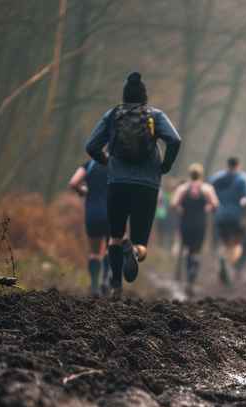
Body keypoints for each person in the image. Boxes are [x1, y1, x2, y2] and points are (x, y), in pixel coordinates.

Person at [86, 72, 181, 297]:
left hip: (117, 183)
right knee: (142, 244)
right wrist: (165, 165)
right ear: (144, 96)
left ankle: (116, 285)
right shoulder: (155, 116)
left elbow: (91, 146)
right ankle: (135, 252)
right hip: (147, 185)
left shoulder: (112, 115)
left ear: (125, 95)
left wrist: (108, 161)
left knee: (115, 236)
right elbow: (175, 140)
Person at [170, 164, 219, 296]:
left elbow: (174, 204)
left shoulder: (183, 188)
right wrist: (206, 209)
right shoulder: (207, 188)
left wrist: (181, 209)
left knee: (185, 248)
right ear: (201, 174)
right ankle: (191, 277)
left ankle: (182, 272)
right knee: (195, 250)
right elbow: (215, 204)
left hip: (185, 222)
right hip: (200, 223)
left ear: (189, 173)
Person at [209, 157, 246, 287]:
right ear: (238, 165)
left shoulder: (216, 178)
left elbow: (210, 194)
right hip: (236, 216)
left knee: (224, 241)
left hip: (220, 216)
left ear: (227, 165)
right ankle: (230, 264)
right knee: (237, 242)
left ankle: (222, 259)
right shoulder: (244, 178)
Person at [68, 159, 110, 296]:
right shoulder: (119, 164)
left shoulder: (90, 164)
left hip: (94, 212)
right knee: (111, 246)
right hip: (113, 212)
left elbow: (74, 183)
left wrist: (83, 191)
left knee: (94, 252)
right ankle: (105, 279)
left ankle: (94, 286)